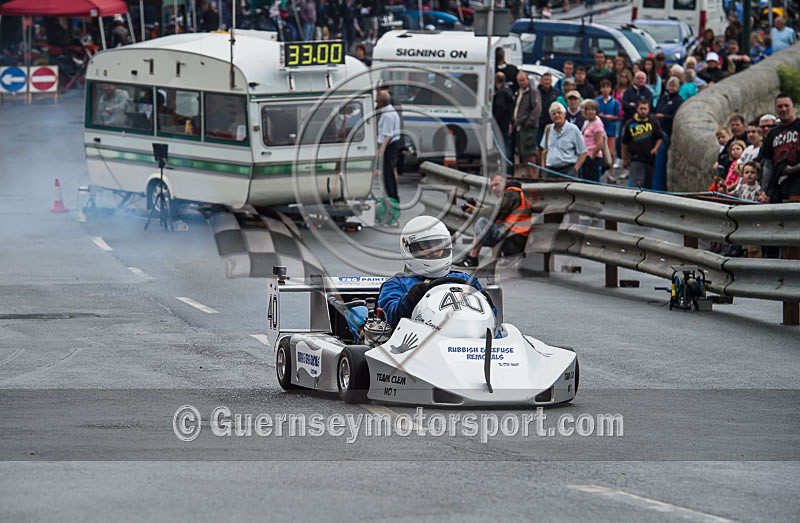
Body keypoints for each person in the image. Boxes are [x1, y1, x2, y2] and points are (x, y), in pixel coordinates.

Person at [378, 216, 485, 329]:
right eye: (427, 246)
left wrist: (487, 303)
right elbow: (389, 318)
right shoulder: (397, 284)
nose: (435, 252)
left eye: (439, 246)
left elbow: (490, 319)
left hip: (468, 337)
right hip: (421, 340)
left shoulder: (466, 279)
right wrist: (408, 301)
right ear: (410, 249)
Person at [456, 174, 533, 268]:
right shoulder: (512, 194)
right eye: (492, 186)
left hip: (515, 242)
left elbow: (496, 213)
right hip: (514, 239)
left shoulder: (512, 193)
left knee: (481, 221)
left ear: (505, 182)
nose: (494, 188)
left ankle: (472, 257)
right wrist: (479, 207)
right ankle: (472, 256)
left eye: (496, 184)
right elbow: (499, 214)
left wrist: (476, 210)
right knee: (483, 219)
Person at [758, 93, 800, 203]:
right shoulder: (773, 133)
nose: (784, 109)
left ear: (792, 107)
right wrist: (765, 190)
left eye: (786, 106)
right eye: (780, 106)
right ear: (775, 110)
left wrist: (795, 168)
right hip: (778, 183)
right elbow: (768, 164)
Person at [621, 99, 663, 189]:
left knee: (648, 185)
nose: (643, 111)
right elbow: (624, 143)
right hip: (635, 158)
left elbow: (660, 138)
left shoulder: (653, 122)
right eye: (641, 109)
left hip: (649, 158)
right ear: (637, 109)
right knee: (637, 184)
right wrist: (624, 159)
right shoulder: (630, 123)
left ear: (648, 110)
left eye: (645, 109)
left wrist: (655, 148)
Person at [539, 102, 587, 178]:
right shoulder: (548, 129)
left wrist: (575, 169)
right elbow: (544, 150)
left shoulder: (573, 129)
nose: (556, 115)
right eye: (553, 114)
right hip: (550, 170)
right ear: (550, 116)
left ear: (564, 114)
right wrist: (543, 168)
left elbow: (583, 152)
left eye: (559, 113)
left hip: (568, 170)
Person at [376, 90, 401, 225]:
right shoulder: (391, 112)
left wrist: (381, 150)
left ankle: (392, 203)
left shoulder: (387, 115)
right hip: (393, 145)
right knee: (390, 174)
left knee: (387, 177)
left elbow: (387, 135)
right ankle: (393, 201)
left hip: (389, 146)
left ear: (380, 102)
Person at [513, 72, 542, 179]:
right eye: (519, 81)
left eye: (523, 80)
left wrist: (529, 122)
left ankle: (533, 174)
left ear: (527, 80)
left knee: (530, 151)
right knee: (523, 151)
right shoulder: (519, 92)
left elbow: (537, 109)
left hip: (528, 127)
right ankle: (527, 173)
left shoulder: (533, 92)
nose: (521, 83)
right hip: (519, 126)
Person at [492, 72, 515, 171]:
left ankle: (506, 169)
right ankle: (509, 169)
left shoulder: (500, 93)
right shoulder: (509, 90)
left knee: (504, 148)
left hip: (502, 125)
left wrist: (495, 121)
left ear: (495, 80)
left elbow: (500, 109)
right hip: (508, 123)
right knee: (507, 146)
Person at [579, 99, 605, 182]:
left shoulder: (597, 123)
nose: (590, 112)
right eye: (588, 110)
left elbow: (599, 143)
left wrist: (592, 156)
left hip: (592, 157)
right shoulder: (586, 122)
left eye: (592, 110)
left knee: (592, 181)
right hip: (585, 155)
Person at [596, 79, 620, 166]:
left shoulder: (615, 102)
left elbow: (618, 116)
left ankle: (610, 172)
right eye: (603, 87)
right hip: (598, 130)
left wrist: (611, 117)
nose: (605, 89)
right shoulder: (596, 101)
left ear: (610, 89)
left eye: (607, 87)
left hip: (610, 130)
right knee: (599, 152)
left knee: (611, 152)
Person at [536, 72, 561, 150]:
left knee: (551, 145)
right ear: (541, 81)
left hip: (552, 123)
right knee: (539, 145)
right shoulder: (536, 92)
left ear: (551, 81)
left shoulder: (556, 92)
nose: (546, 82)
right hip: (539, 123)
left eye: (548, 80)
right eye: (545, 80)